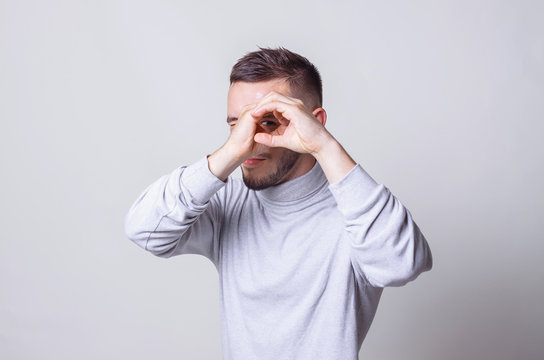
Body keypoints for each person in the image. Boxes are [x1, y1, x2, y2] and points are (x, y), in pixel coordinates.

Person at [124, 47, 432, 360]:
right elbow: (145, 230)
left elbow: (401, 265)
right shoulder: (226, 201)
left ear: (315, 123)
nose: (249, 140)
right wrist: (229, 153)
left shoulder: (355, 210)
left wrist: (323, 144)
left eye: (269, 122)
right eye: (236, 124)